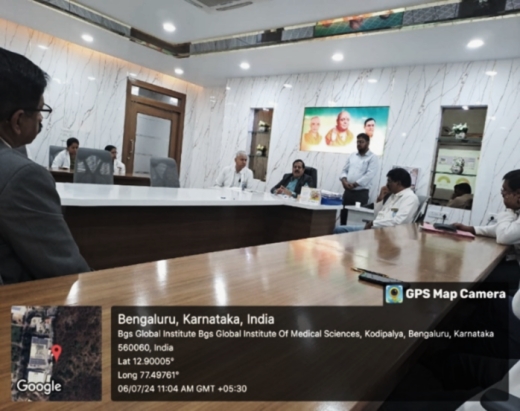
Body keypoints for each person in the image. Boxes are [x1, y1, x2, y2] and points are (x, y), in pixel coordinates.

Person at [0, 47, 89, 284]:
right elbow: (68, 272)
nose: (41, 118)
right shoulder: (22, 177)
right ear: (18, 120)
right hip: (16, 306)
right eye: (41, 110)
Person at [453, 170, 520, 294]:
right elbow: (503, 229)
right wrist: (472, 229)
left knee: (480, 276)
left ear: (518, 194)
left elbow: (504, 236)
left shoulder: (513, 210)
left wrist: (509, 210)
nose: (502, 193)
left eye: (505, 190)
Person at [334, 167, 419, 234]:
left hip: (388, 233)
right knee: (339, 229)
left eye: (389, 181)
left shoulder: (410, 198)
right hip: (377, 228)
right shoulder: (393, 195)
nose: (387, 184)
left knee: (339, 230)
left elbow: (398, 222)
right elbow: (377, 216)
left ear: (398, 183)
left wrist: (373, 224)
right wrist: (380, 199)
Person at [339, 133, 379, 211]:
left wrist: (354, 184)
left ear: (368, 143)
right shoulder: (352, 155)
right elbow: (344, 170)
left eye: (361, 142)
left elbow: (369, 175)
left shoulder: (373, 157)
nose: (359, 144)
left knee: (357, 215)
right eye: (358, 142)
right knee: (344, 214)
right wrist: (344, 181)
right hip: (348, 192)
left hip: (361, 193)